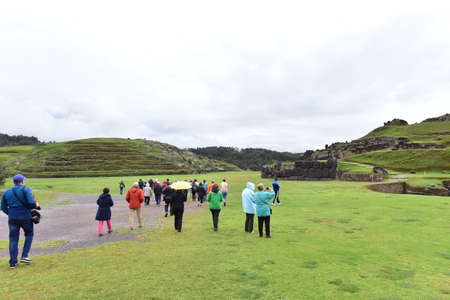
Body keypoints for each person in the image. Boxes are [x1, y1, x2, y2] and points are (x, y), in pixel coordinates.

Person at [1, 174, 38, 269]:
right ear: (22, 181)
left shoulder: (7, 192)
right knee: (29, 234)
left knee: (13, 239)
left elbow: (3, 207)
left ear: (14, 182)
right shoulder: (26, 189)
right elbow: (31, 203)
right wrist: (35, 205)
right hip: (25, 215)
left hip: (12, 217)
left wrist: (11, 213)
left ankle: (13, 263)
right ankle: (24, 255)